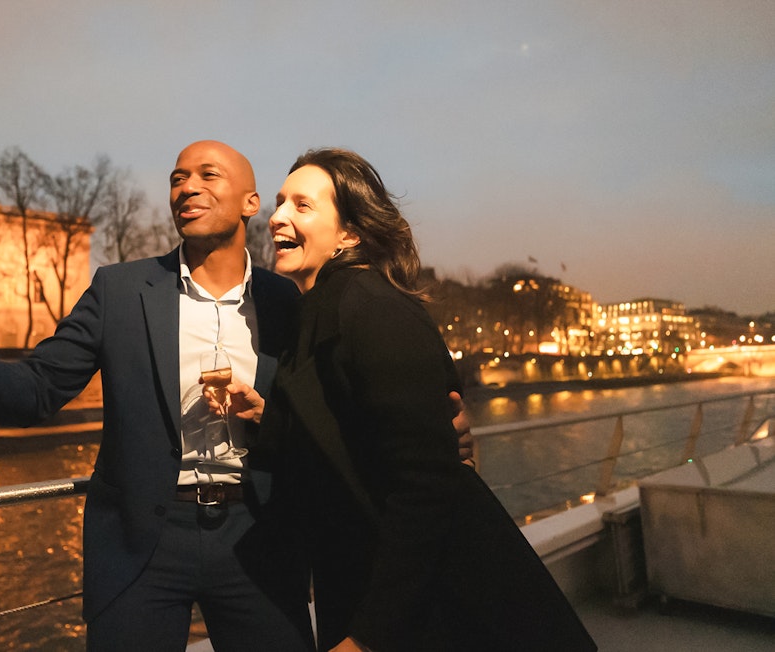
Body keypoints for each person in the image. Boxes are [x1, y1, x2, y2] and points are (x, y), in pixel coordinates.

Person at [0, 140, 472, 651]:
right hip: (142, 545)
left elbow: (355, 407)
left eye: (208, 174)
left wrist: (444, 430)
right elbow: (34, 392)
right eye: (177, 177)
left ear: (251, 203)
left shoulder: (292, 301)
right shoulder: (118, 291)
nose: (187, 186)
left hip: (264, 539)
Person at [212, 148, 597, 651]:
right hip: (383, 583)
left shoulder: (372, 310)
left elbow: (424, 488)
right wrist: (272, 416)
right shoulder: (325, 311)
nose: (277, 216)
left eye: (302, 206)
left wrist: (368, 637)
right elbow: (351, 438)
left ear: (350, 233)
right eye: (281, 202)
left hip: (436, 601)